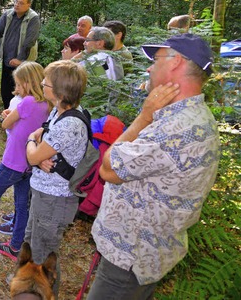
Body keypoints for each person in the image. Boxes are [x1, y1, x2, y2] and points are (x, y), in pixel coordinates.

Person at [87, 34, 220, 299]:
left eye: (155, 59)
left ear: (175, 62)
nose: (149, 67)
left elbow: (108, 169)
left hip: (129, 260)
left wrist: (143, 117)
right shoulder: (192, 118)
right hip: (145, 255)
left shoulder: (175, 129)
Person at [0, 62, 50, 265]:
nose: (17, 88)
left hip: (13, 161)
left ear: (28, 82)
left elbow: (6, 124)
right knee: (22, 205)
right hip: (30, 163)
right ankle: (15, 246)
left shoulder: (27, 102)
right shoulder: (47, 104)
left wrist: (7, 116)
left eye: (19, 84)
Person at [24, 60, 89, 297]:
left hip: (55, 201)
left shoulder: (70, 123)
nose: (42, 84)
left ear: (59, 92)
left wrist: (32, 144)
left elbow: (33, 151)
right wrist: (39, 152)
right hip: (44, 193)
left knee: (44, 257)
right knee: (31, 242)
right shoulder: (59, 111)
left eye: (46, 83)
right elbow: (42, 141)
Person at [0, 0, 41, 109]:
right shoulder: (7, 15)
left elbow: (29, 41)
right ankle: (7, 112)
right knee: (6, 88)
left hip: (23, 61)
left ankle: (20, 115)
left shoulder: (33, 18)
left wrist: (20, 59)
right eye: (16, 1)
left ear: (28, 5)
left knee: (22, 89)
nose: (17, 5)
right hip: (7, 58)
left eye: (21, 3)